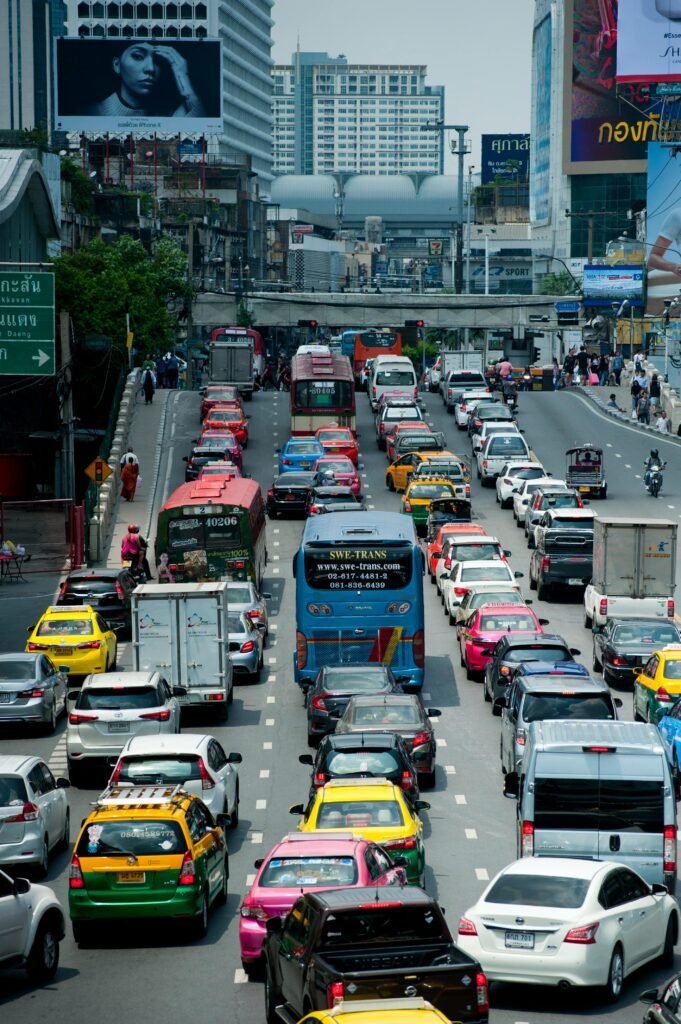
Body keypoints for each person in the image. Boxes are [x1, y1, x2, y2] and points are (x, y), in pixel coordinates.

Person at [86, 42, 206, 118]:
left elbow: (202, 129)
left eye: (157, 60)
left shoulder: (170, 115)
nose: (151, 68)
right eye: (138, 56)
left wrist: (184, 78)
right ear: (117, 64)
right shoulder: (90, 113)